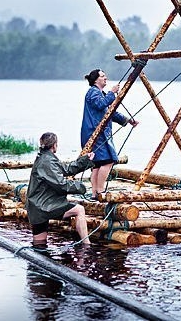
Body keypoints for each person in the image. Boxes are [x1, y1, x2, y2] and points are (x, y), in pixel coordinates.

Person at [25, 132, 95, 250]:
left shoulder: (44, 157)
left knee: (39, 242)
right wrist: (81, 187)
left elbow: (66, 169)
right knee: (79, 210)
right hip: (44, 206)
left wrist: (85, 160)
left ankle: (37, 264)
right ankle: (86, 245)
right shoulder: (47, 161)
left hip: (35, 207)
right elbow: (61, 185)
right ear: (54, 145)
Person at [81, 68, 139, 200]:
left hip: (96, 132)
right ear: (96, 80)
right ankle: (100, 191)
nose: (105, 78)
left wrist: (128, 120)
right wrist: (112, 93)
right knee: (108, 161)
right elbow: (101, 104)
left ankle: (95, 193)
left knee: (97, 163)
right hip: (96, 132)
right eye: (102, 76)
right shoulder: (93, 92)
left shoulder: (101, 93)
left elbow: (111, 113)